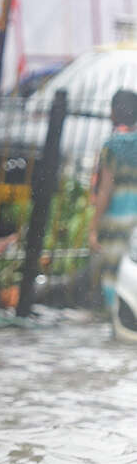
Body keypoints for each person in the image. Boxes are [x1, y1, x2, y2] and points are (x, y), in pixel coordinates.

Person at [89, 89, 137, 306]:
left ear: (114, 113)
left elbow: (105, 190)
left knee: (113, 274)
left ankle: (117, 321)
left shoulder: (112, 147)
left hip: (116, 222)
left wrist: (93, 227)